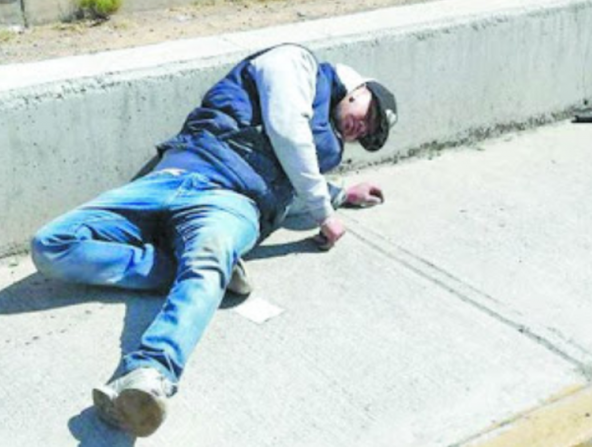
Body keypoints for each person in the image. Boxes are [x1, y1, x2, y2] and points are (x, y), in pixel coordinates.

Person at [30, 44, 398, 437]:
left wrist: (341, 196)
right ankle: (194, 271)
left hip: (230, 204)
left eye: (370, 135)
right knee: (50, 244)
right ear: (358, 89)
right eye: (369, 114)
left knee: (207, 257)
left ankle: (150, 374)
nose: (363, 128)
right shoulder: (296, 62)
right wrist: (325, 210)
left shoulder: (322, 152)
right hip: (171, 176)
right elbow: (287, 128)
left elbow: (290, 184)